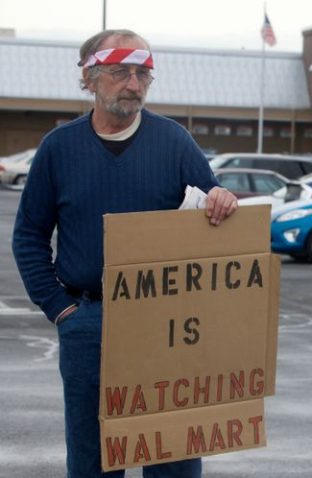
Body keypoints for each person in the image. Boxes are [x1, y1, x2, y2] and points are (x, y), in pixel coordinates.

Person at [12, 30, 238, 478]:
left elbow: (213, 204)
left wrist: (221, 199)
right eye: (120, 73)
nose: (133, 84)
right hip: (88, 321)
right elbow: (29, 236)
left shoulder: (174, 142)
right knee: (92, 458)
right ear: (91, 78)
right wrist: (61, 309)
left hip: (167, 323)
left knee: (172, 452)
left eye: (142, 74)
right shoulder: (59, 148)